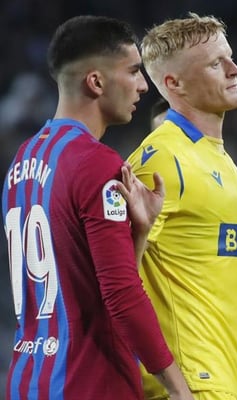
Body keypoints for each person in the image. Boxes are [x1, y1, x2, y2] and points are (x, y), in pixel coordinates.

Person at [1, 15, 192, 400]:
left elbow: (85, 281)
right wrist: (179, 389)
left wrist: (139, 233)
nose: (143, 85)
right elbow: (121, 295)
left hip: (27, 379)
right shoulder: (96, 163)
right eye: (134, 71)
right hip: (87, 380)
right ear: (96, 82)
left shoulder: (23, 160)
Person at [127, 13, 237, 400]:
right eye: (215, 63)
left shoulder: (217, 158)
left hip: (227, 379)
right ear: (174, 83)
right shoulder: (161, 159)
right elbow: (114, 278)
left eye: (230, 57)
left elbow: (204, 267)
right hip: (188, 384)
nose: (235, 70)